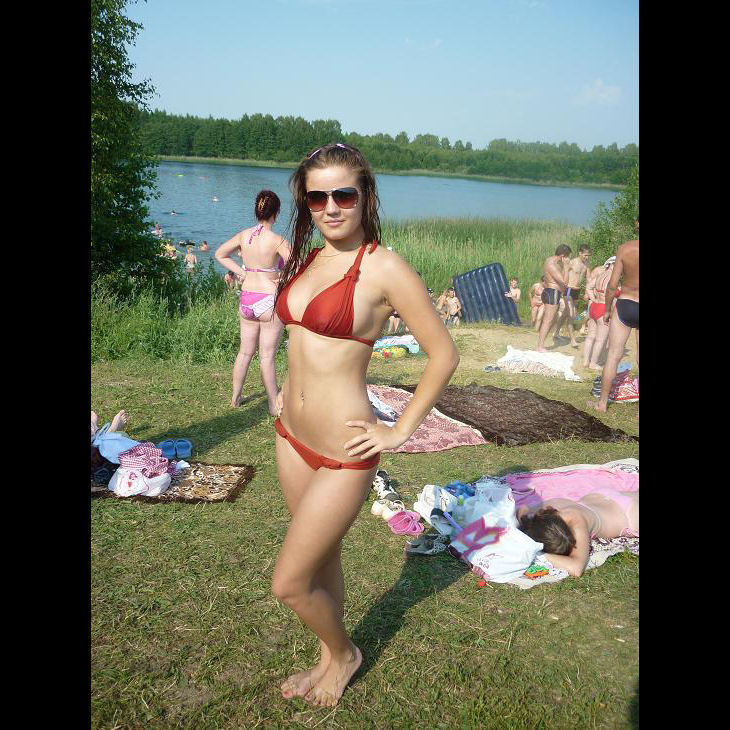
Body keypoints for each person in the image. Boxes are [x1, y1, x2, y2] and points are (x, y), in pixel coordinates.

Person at [272, 143, 458, 707]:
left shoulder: (384, 267)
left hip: (344, 447)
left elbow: (443, 354)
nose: (331, 207)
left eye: (343, 194)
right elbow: (300, 341)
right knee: (322, 557)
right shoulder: (308, 258)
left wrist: (398, 431)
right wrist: (280, 393)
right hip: (291, 436)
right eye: (317, 197)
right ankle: (327, 657)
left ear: (365, 197)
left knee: (289, 583)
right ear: (306, 202)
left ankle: (345, 652)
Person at [215, 190, 291, 413]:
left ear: (256, 211)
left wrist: (242, 272)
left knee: (245, 352)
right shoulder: (277, 240)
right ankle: (272, 404)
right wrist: (281, 278)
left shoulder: (244, 235)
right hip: (268, 300)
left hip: (247, 298)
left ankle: (235, 398)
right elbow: (296, 266)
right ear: (276, 212)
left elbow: (220, 254)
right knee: (266, 356)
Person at [517, 488, 639, 577]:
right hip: (603, 498)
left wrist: (537, 553)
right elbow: (523, 510)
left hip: (624, 512)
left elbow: (576, 568)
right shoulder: (557, 514)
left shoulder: (575, 518)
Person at [590, 217, 639, 412]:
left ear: (637, 224)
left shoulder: (625, 249)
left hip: (625, 303)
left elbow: (612, 285)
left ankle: (602, 403)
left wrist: (607, 309)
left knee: (613, 356)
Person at [582, 257, 617, 369]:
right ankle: (593, 363)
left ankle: (585, 361)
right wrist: (611, 310)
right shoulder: (613, 278)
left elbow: (589, 287)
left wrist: (593, 298)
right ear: (613, 265)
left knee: (590, 336)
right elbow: (610, 294)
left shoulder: (600, 275)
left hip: (594, 306)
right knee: (600, 340)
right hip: (603, 308)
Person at [553, 245, 590, 348]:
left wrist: (587, 292)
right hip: (568, 289)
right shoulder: (573, 262)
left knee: (565, 313)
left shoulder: (587, 264)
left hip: (577, 291)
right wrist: (561, 287)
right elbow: (562, 273)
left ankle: (556, 332)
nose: (587, 257)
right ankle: (573, 339)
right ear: (580, 253)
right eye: (585, 255)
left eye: (588, 255)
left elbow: (589, 278)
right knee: (572, 314)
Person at [536, 245, 572, 352]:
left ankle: (541, 345)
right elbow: (564, 282)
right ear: (563, 256)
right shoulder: (552, 264)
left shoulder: (551, 261)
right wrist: (566, 268)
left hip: (551, 292)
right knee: (548, 321)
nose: (568, 259)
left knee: (550, 320)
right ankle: (540, 346)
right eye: (567, 257)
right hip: (552, 292)